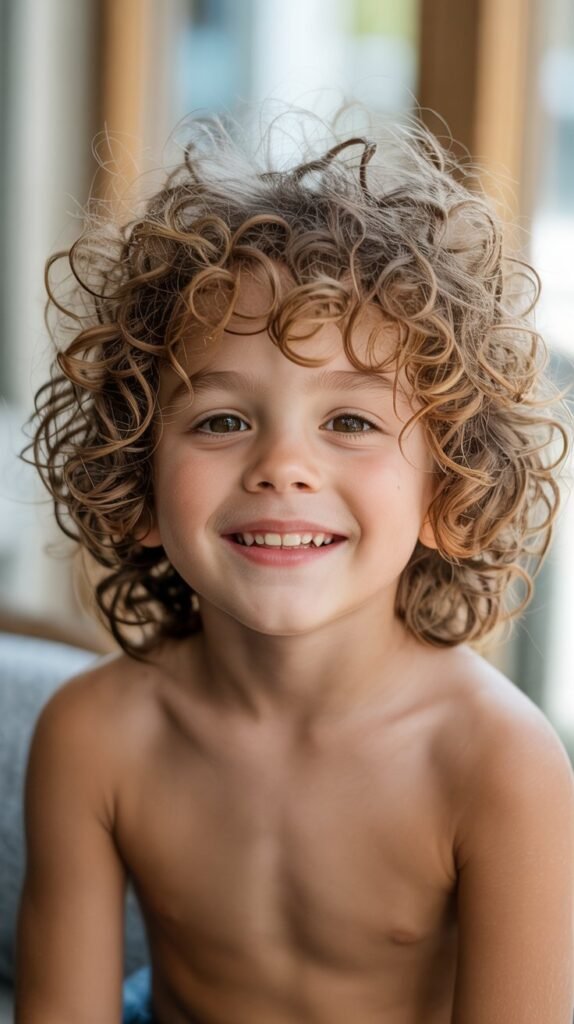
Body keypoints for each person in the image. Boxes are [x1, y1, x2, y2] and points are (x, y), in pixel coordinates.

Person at [15, 104, 574, 1024]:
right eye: (222, 420)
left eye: (350, 422)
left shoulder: (498, 765)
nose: (282, 465)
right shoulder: (95, 736)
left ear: (447, 492)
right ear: (137, 481)